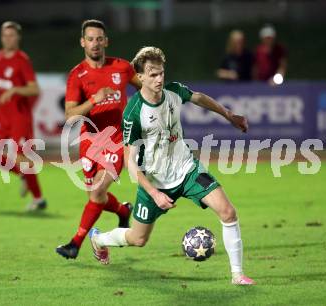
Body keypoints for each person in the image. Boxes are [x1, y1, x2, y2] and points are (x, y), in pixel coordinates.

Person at [88, 46, 256, 286]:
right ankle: (99, 239)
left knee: (228, 212)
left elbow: (198, 97)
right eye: (152, 74)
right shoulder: (133, 113)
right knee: (138, 239)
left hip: (187, 170)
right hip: (154, 181)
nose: (159, 79)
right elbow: (130, 162)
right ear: (140, 77)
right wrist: (155, 193)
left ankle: (237, 275)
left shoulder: (174, 92)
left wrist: (229, 115)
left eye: (161, 73)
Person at [55, 19, 141, 260]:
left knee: (97, 192)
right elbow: (70, 115)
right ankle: (123, 211)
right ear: (83, 42)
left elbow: (145, 89)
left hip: (116, 141)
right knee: (96, 196)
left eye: (99, 39)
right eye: (90, 39)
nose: (95, 43)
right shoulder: (77, 75)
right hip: (90, 142)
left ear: (106, 41)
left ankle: (75, 244)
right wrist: (94, 100)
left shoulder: (122, 67)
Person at [0, 21, 46, 211]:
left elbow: (35, 89)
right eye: (5, 35)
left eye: (11, 35)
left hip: (19, 116)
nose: (8, 39)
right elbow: (3, 81)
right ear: (1, 37)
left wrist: (17, 90)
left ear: (18, 38)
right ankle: (24, 176)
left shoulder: (22, 60)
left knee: (19, 157)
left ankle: (38, 198)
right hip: (2, 115)